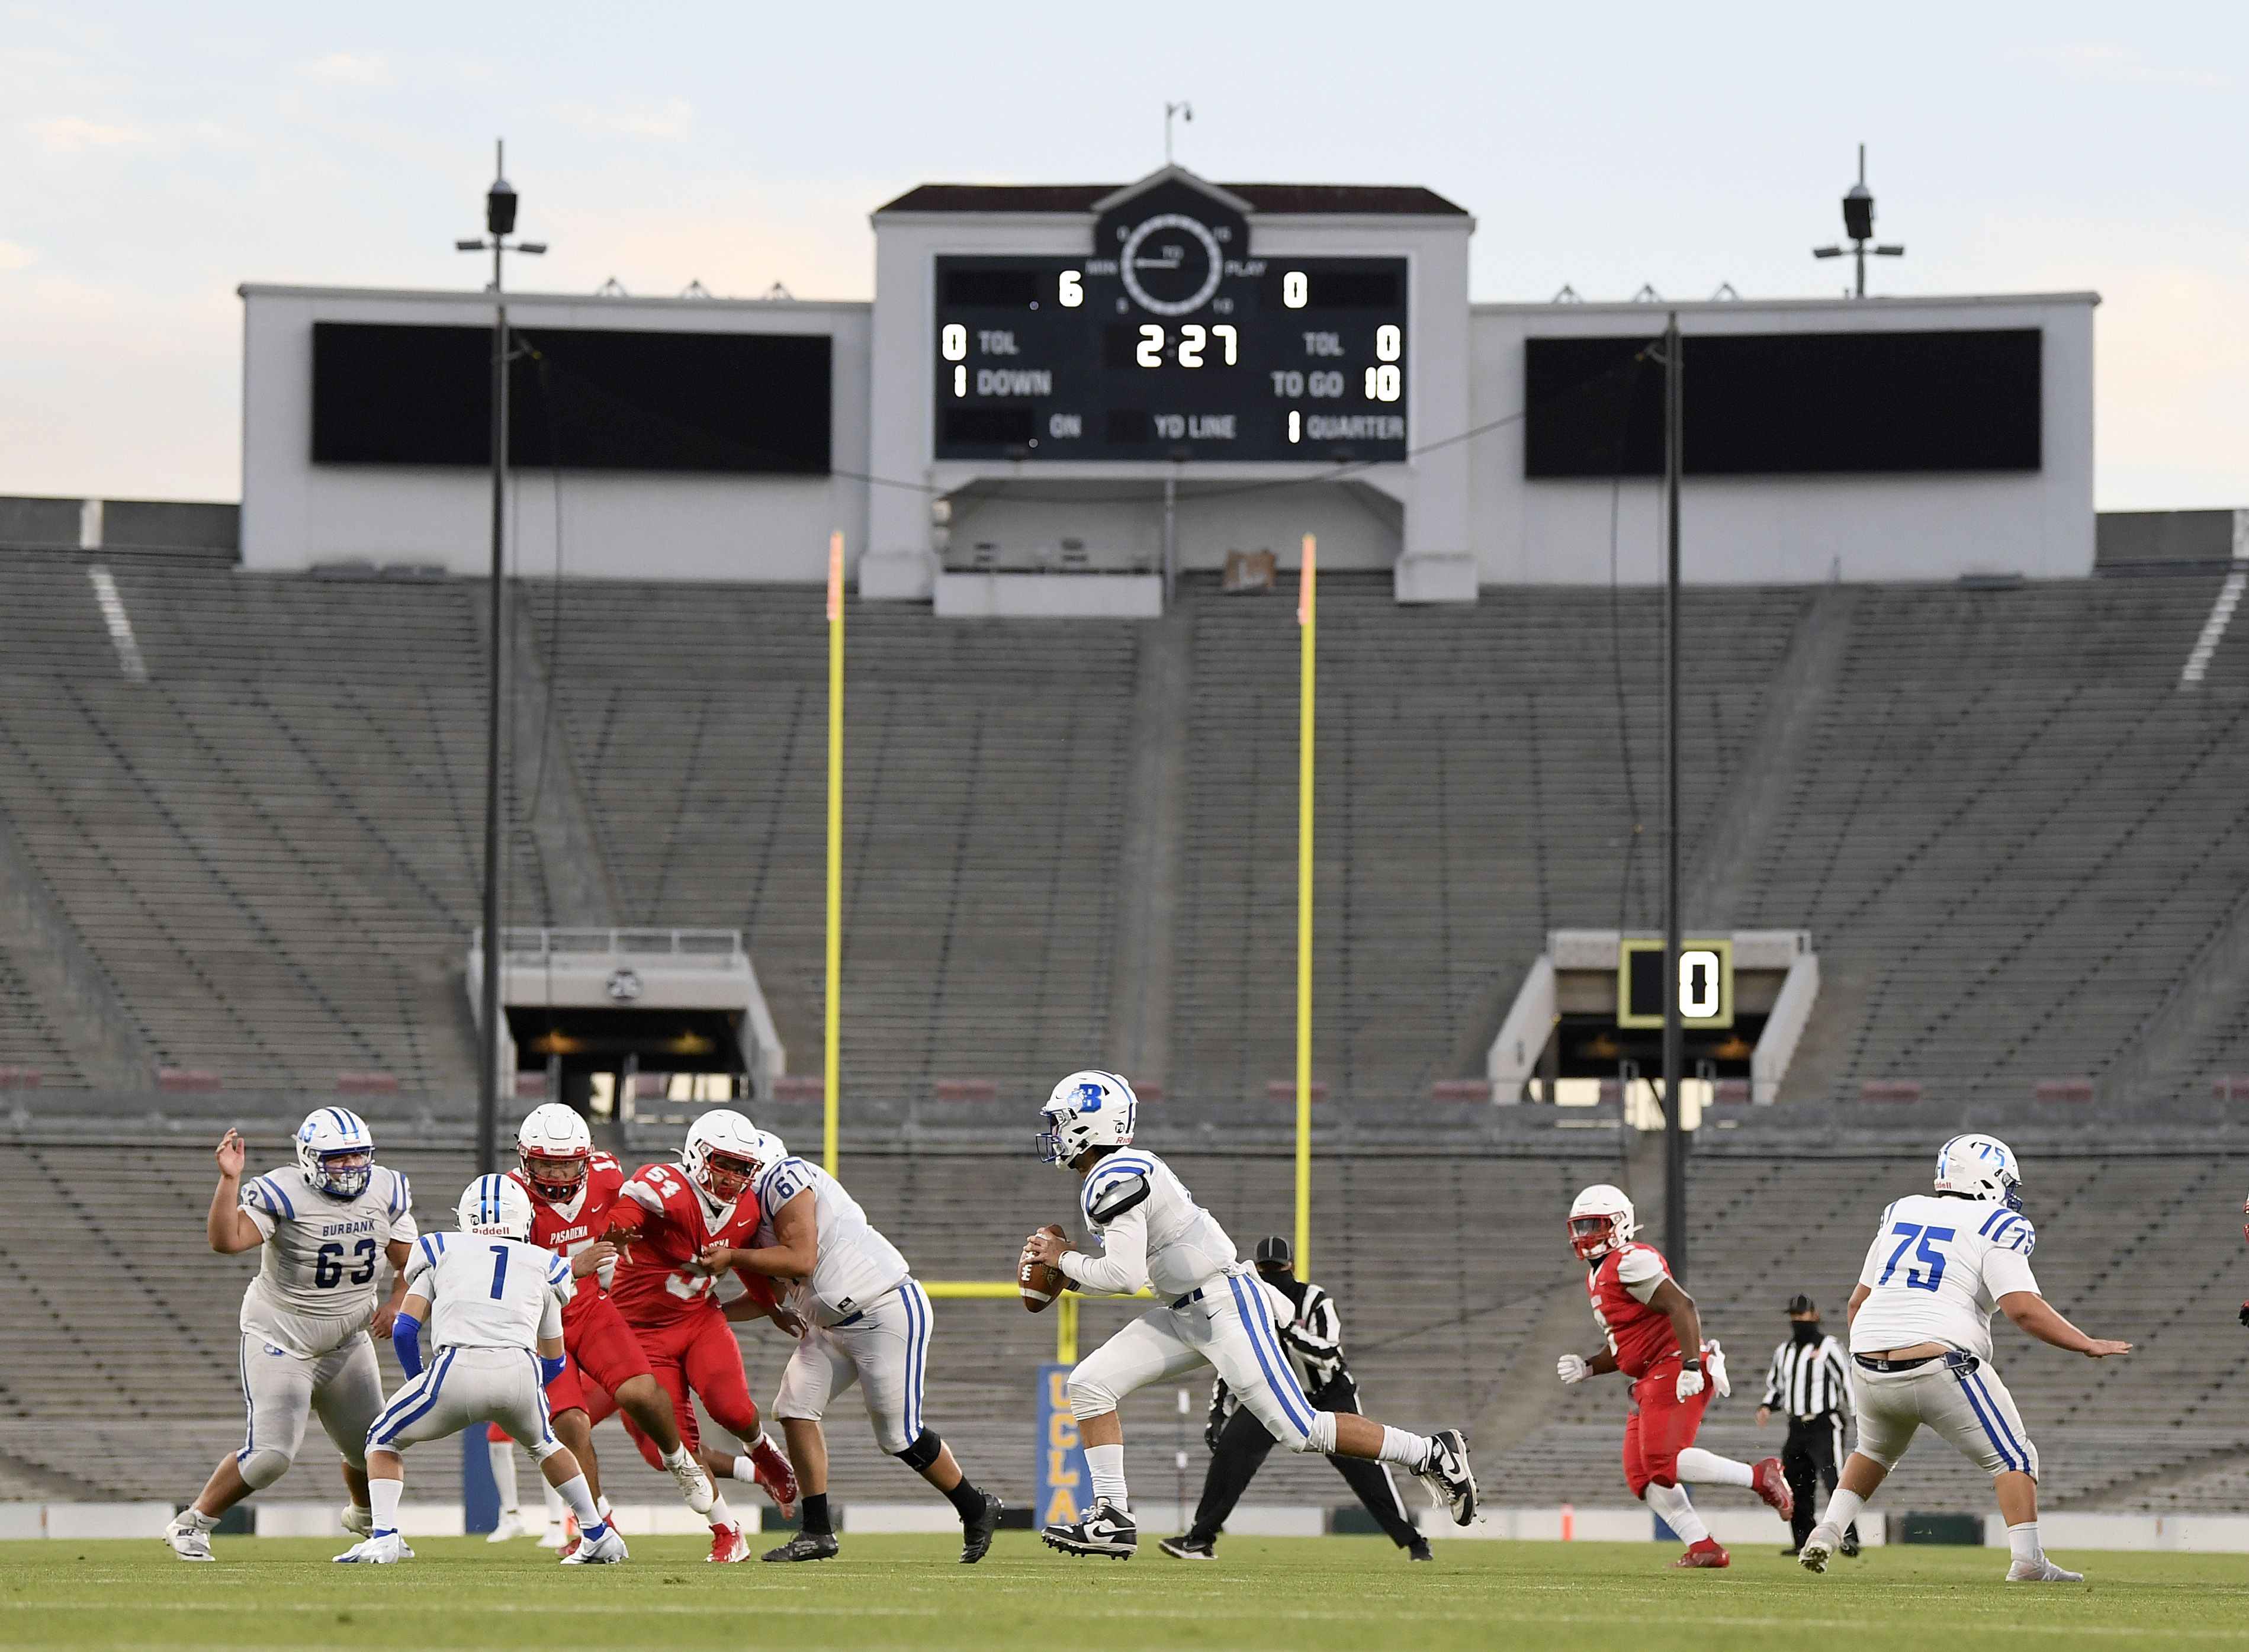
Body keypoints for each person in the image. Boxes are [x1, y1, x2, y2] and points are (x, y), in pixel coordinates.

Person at [1023, 1071, 1477, 1559]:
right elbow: (1128, 1274)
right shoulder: (1112, 1174)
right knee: (1089, 1384)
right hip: (1185, 1310)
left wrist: (1063, 1262)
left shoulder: (1117, 1174)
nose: (1054, 1131)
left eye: (1061, 1120)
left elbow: (1125, 1277)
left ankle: (1432, 1452)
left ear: (1089, 1125)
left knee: (1302, 1430)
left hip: (1226, 1304)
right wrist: (1069, 1273)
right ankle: (1112, 1517)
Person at [1798, 1134, 2133, 1581]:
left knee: (1874, 1450)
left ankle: (1828, 1530)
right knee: (2015, 1458)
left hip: (1869, 1360)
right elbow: (2022, 1308)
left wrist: (1880, 1351)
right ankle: (2029, 1562)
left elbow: (1858, 1303)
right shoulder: (1996, 1223)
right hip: (1941, 1361)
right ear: (1989, 1178)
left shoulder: (1902, 1211)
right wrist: (2086, 1343)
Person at [690, 1129, 1004, 1565]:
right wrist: (704, 1314)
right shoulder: (753, 1221)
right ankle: (817, 1530)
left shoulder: (786, 1176)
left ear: (758, 1167)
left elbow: (801, 1260)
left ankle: (976, 1507)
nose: (731, 1181)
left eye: (740, 1170)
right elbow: (772, 1299)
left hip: (883, 1310)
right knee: (794, 1407)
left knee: (898, 1437)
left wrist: (731, 1257)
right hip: (829, 1327)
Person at [164, 1111, 416, 1562]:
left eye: (359, 1155)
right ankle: (193, 1522)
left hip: (346, 1340)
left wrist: (397, 1302)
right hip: (281, 1339)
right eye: (338, 1159)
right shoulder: (283, 1192)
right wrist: (228, 1181)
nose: (352, 1166)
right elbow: (227, 1241)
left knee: (375, 1445)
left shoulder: (386, 1190)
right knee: (271, 1456)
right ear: (310, 1159)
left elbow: (409, 1263)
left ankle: (366, 1519)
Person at [335, 1175, 622, 1564]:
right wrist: (527, 1391)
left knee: (382, 1438)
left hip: (459, 1365)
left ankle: (385, 1537)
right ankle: (598, 1534)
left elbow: (405, 1330)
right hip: (521, 1370)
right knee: (546, 1446)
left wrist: (419, 1380)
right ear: (524, 1219)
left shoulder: (439, 1247)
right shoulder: (544, 1263)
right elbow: (554, 1358)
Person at [577, 1108, 799, 1563]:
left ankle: (762, 1450)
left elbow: (741, 1261)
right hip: (638, 1336)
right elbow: (630, 1206)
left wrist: (770, 1305)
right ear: (698, 1156)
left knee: (734, 1409)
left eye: (743, 1168)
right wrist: (618, 1230)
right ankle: (727, 1531)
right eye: (726, 1163)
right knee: (670, 1450)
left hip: (698, 1319)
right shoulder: (668, 1186)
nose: (735, 1177)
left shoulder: (749, 1206)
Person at [492, 1104, 717, 1548]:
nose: (556, 1177)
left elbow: (632, 1212)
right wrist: (570, 1264)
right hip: (540, 1324)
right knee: (571, 1426)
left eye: (567, 1165)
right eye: (545, 1165)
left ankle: (679, 1460)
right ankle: (598, 1524)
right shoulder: (509, 1196)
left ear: (587, 1159)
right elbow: (504, 1272)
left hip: (592, 1309)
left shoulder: (608, 1175)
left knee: (638, 1390)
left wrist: (620, 1237)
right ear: (524, 1160)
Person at [1555, 1182, 1793, 1568]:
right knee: (1642, 1476)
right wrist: (1589, 1367)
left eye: (1595, 1225)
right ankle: (1704, 1547)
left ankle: (1759, 1476)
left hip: (1674, 1365)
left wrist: (1690, 1365)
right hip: (1652, 1372)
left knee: (1664, 1462)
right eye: (1581, 1227)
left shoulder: (1631, 1259)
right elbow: (1626, 1346)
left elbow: (1683, 1305)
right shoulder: (1598, 1275)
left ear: (1620, 1225)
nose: (1586, 1236)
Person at [1160, 1235, 1431, 1563]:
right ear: (1258, 1269)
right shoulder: (1249, 1301)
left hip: (1328, 1396)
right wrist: (1219, 1411)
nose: (1274, 1274)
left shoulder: (1315, 1300)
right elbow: (1233, 1361)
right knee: (1231, 1454)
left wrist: (1286, 1326)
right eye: (1267, 1268)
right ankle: (1199, 1539)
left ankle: (1414, 1541)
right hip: (1275, 1394)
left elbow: (1329, 1354)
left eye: (1278, 1268)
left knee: (1366, 1470)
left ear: (1293, 1267)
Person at [1757, 1294, 1858, 1557]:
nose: (1797, 1321)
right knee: (1796, 1483)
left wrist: (1859, 1415)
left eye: (1801, 1315)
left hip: (1825, 1423)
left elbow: (1847, 1382)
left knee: (1834, 1479)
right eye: (1793, 1316)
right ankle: (1803, 1540)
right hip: (1796, 1426)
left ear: (1814, 1315)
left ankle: (1848, 1537)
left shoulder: (1829, 1347)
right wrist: (1767, 1406)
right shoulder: (1784, 1351)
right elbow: (1777, 1387)